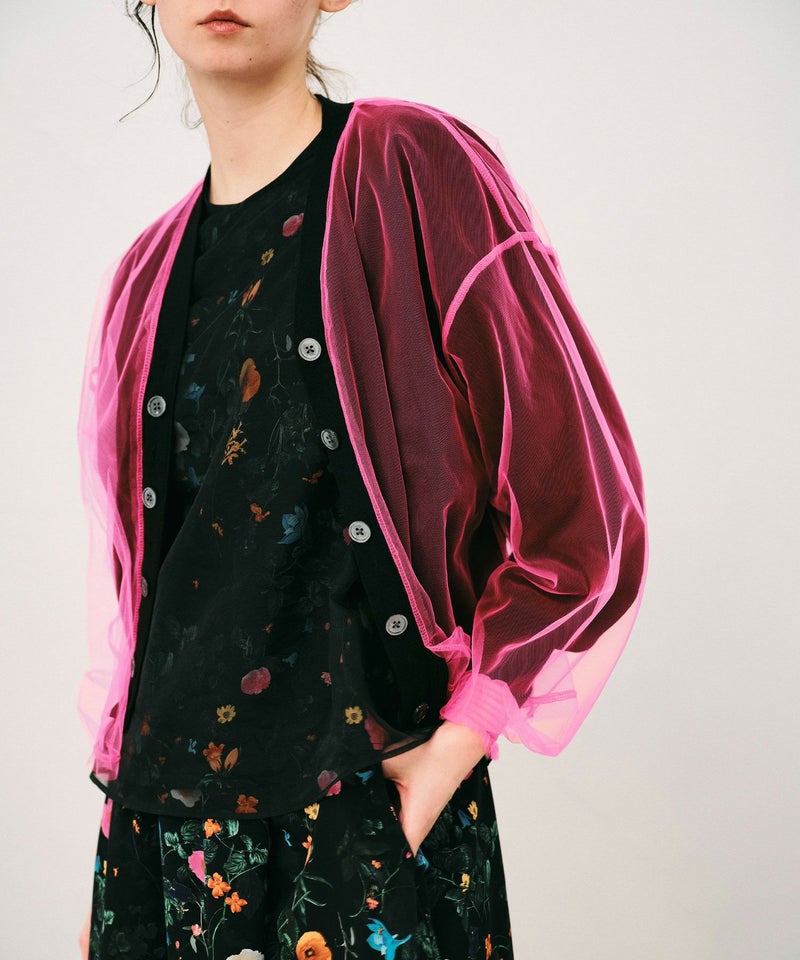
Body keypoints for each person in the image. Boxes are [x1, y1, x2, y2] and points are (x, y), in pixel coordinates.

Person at [77, 2, 648, 958]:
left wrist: (457, 745)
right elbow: (153, 603)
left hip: (369, 805)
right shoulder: (143, 278)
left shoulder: (412, 168)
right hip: (169, 833)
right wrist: (119, 866)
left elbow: (581, 508)